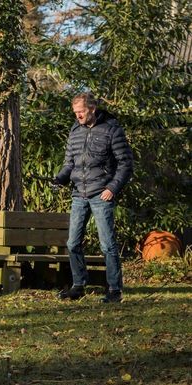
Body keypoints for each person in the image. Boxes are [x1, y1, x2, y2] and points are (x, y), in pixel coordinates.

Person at [53, 92, 133, 303]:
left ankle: (115, 290)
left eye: (80, 112)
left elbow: (126, 163)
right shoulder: (75, 131)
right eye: (75, 112)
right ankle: (78, 286)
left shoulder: (111, 130)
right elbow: (69, 163)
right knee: (72, 243)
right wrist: (59, 179)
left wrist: (113, 188)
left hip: (101, 194)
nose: (77, 116)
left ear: (92, 109)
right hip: (79, 193)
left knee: (107, 244)